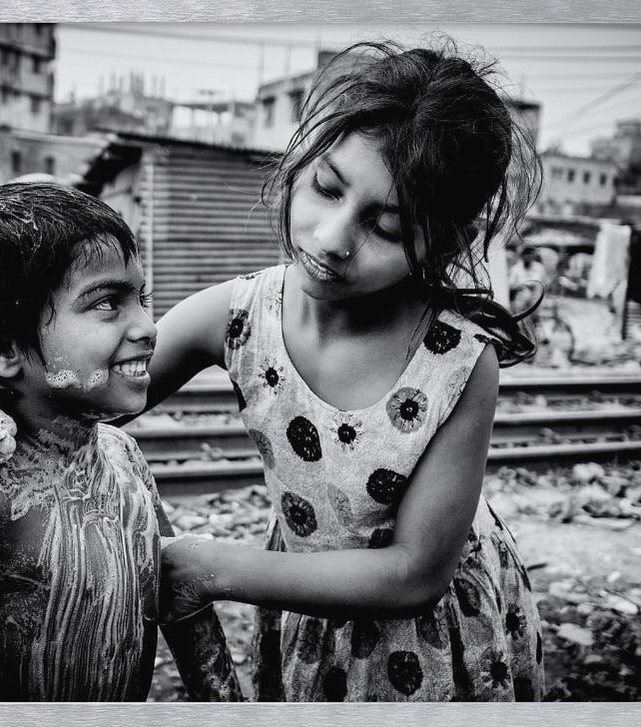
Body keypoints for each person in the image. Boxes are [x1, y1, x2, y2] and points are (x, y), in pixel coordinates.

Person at [145, 39, 545, 701]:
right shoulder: (240, 312)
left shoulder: (456, 359)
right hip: (307, 605)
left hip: (424, 638)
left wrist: (214, 567)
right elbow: (101, 395)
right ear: (299, 159)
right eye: (327, 187)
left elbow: (415, 572)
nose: (332, 238)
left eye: (386, 226)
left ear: (442, 242)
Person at [0, 183, 241, 702]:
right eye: (107, 303)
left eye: (141, 298)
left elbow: (185, 609)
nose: (147, 326)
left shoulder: (123, 457)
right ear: (1, 348)